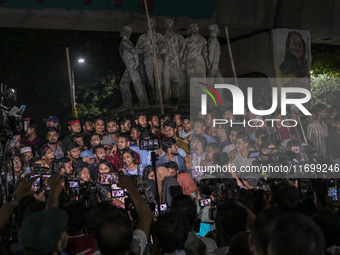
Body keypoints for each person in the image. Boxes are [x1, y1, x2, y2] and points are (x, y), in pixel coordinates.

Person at [119, 26, 149, 107]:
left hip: (131, 63)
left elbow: (134, 52)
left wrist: (137, 63)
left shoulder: (125, 42)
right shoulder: (127, 42)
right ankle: (128, 103)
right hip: (129, 64)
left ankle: (144, 102)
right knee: (124, 82)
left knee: (137, 81)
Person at [163, 18, 187, 103]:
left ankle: (181, 100)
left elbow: (184, 50)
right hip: (166, 62)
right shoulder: (161, 38)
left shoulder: (179, 37)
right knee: (166, 83)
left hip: (177, 61)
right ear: (165, 25)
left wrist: (183, 61)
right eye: (168, 22)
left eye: (171, 23)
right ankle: (167, 102)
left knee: (181, 81)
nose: (169, 24)